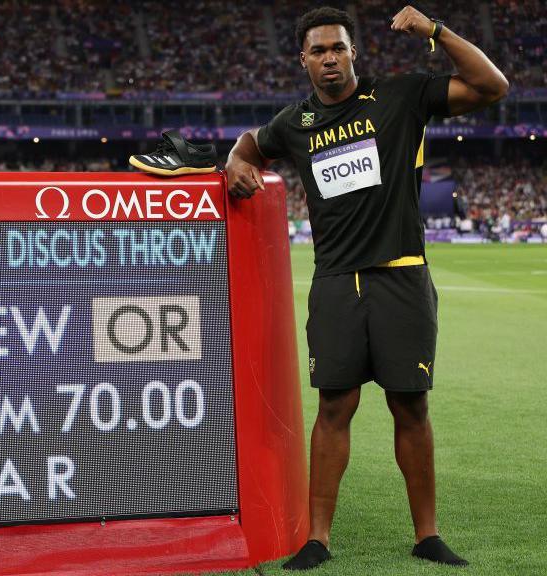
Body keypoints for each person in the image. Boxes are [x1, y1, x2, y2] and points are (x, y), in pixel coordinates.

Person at [225, 5, 508, 571]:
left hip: (401, 272)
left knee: (410, 405)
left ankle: (427, 534)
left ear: (354, 52)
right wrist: (235, 159)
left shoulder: (401, 96)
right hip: (335, 282)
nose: (330, 58)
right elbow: (252, 144)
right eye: (318, 51)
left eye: (338, 48)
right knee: (335, 405)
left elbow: (491, 85)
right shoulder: (297, 123)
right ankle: (318, 539)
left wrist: (435, 31)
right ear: (302, 60)